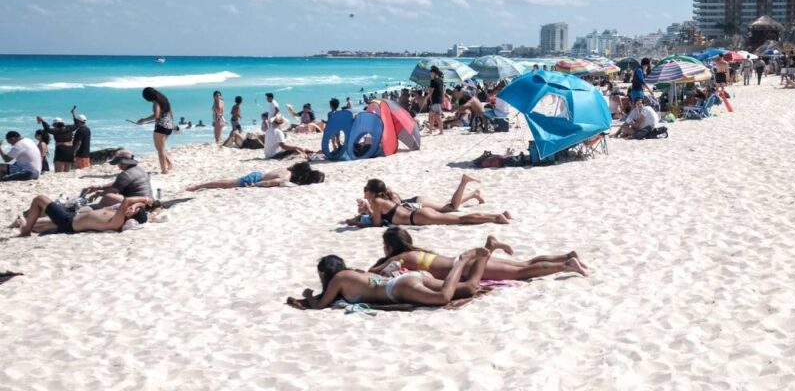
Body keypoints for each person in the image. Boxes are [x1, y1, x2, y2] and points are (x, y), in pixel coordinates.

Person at [293, 248, 492, 310]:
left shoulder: (339, 278)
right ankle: (484, 255)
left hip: (399, 288)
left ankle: (462, 261)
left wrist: (308, 295)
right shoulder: (354, 273)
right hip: (408, 278)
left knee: (442, 297)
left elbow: (320, 305)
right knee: (469, 288)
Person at [369, 227, 589, 280]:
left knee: (522, 272)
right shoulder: (415, 251)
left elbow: (373, 272)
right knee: (524, 263)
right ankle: (566, 256)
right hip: (464, 262)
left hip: (467, 268)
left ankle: (566, 265)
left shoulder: (402, 258)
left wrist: (383, 261)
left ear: (390, 247)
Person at [357, 177, 509, 227]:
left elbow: (376, 224)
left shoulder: (377, 201)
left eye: (365, 189)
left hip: (417, 218)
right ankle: (497, 215)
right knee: (456, 215)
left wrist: (363, 218)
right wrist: (368, 211)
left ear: (371, 192)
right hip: (417, 212)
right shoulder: (383, 200)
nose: (364, 192)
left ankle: (496, 217)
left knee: (459, 219)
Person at [12, 194, 160, 237]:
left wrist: (139, 202)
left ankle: (25, 232)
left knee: (39, 199)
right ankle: (24, 225)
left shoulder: (117, 221)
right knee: (38, 225)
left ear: (131, 216)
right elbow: (131, 203)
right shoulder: (119, 215)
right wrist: (139, 204)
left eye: (132, 210)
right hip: (72, 218)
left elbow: (127, 200)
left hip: (69, 222)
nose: (129, 207)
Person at [80, 149, 153, 207]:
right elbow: (118, 184)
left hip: (138, 203)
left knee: (108, 197)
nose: (118, 165)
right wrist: (99, 187)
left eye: (118, 163)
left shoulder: (126, 174)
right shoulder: (139, 169)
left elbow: (112, 191)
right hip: (148, 201)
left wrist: (98, 194)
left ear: (122, 162)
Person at [187, 161, 325, 191]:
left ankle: (200, 185)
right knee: (225, 183)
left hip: (258, 174)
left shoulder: (286, 169)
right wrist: (254, 185)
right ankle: (199, 186)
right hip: (256, 179)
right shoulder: (286, 177)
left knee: (227, 182)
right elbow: (270, 182)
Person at [137, 87, 174, 174]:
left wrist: (144, 120)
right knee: (160, 148)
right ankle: (170, 164)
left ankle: (164, 170)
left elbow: (156, 116)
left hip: (161, 127)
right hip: (169, 125)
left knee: (160, 149)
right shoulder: (164, 99)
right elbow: (170, 112)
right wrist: (173, 124)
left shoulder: (156, 102)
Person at [426, 66, 445, 134]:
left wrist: (426, 98)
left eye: (431, 72)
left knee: (437, 116)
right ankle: (430, 130)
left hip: (435, 100)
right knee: (431, 115)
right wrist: (443, 100)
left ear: (433, 73)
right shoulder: (440, 80)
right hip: (438, 100)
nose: (430, 74)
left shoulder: (433, 81)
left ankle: (441, 131)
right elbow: (442, 91)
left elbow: (431, 92)